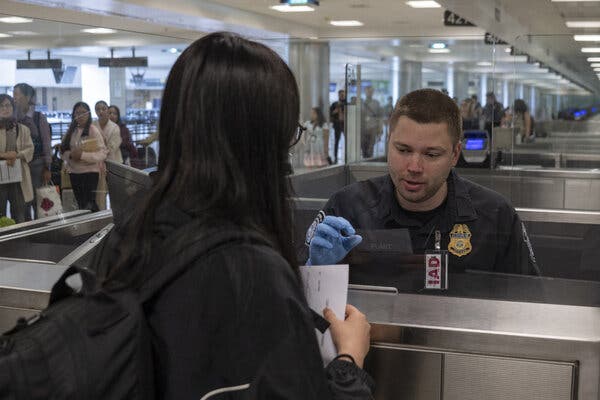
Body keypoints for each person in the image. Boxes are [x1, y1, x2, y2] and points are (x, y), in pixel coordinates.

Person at [97, 32, 374, 399]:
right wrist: (349, 360)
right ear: (261, 144)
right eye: (288, 134)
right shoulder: (250, 271)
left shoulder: (127, 238)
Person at [307, 89, 538, 277]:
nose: (414, 167)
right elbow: (303, 311)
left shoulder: (495, 216)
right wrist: (314, 272)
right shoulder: (347, 208)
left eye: (431, 154)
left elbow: (531, 304)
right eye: (403, 150)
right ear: (389, 143)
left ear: (455, 154)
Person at [13, 83, 52, 220]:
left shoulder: (38, 117)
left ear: (27, 96)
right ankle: (27, 234)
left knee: (39, 202)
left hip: (37, 167)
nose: (14, 98)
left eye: (16, 94)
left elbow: (46, 143)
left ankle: (41, 232)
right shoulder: (12, 118)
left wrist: (47, 167)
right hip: (19, 166)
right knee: (22, 203)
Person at [61, 102, 107, 212]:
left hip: (90, 173)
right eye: (77, 113)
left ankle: (96, 227)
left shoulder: (93, 130)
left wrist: (82, 155)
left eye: (83, 113)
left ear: (88, 114)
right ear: (73, 115)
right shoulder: (71, 131)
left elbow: (102, 153)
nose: (80, 116)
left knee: (90, 204)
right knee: (81, 204)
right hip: (74, 173)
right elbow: (63, 152)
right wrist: (71, 155)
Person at [0, 94, 34, 223]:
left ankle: (20, 241)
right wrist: (4, 155)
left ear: (13, 108)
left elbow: (30, 149)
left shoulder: (22, 129)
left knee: (19, 212)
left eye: (8, 105)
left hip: (18, 177)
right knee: (0, 212)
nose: (5, 108)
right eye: (1, 105)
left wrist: (16, 154)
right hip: (0, 178)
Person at [93, 100, 122, 210]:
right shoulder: (92, 125)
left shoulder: (115, 127)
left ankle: (117, 217)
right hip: (97, 165)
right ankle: (102, 217)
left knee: (115, 193)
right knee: (100, 195)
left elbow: (112, 147)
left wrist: (99, 149)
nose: (100, 111)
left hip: (113, 163)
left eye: (103, 109)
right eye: (98, 109)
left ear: (107, 110)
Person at [361, 86, 382, 158]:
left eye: (371, 91)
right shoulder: (361, 103)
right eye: (368, 91)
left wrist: (380, 131)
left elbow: (379, 117)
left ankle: (369, 162)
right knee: (363, 147)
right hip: (363, 128)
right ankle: (364, 161)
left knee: (371, 147)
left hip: (373, 127)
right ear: (365, 92)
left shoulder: (376, 103)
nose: (369, 93)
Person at [329, 89, 345, 164]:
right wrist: (334, 111)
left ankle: (347, 155)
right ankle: (335, 157)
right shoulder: (334, 104)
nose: (342, 96)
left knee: (348, 141)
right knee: (336, 141)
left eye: (343, 94)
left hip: (345, 125)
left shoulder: (347, 104)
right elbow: (330, 114)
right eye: (340, 94)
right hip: (337, 124)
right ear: (338, 95)